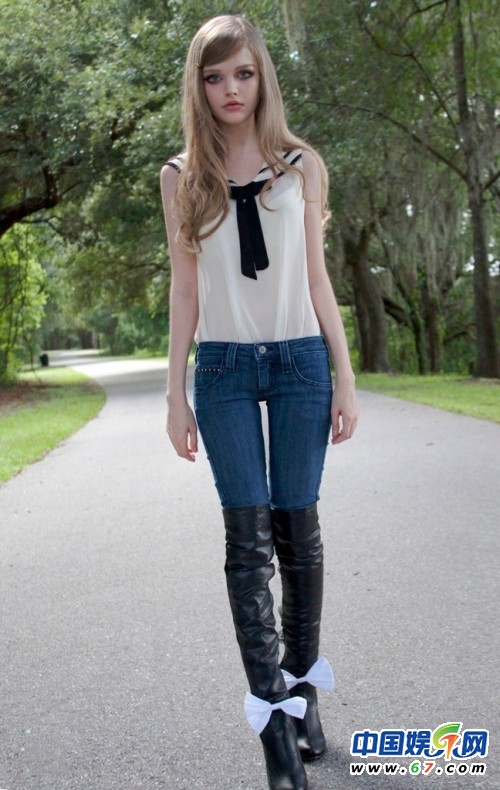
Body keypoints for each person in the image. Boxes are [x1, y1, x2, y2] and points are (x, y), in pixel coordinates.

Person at [160, 14, 358, 790]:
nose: (229, 90)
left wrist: (345, 376)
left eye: (242, 73)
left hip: (301, 361)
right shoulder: (181, 176)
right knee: (246, 545)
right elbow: (184, 290)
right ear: (199, 87)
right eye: (214, 77)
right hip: (225, 372)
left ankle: (304, 689)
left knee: (297, 534)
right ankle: (273, 723)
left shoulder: (301, 166)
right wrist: (174, 394)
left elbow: (317, 278)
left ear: (261, 77)